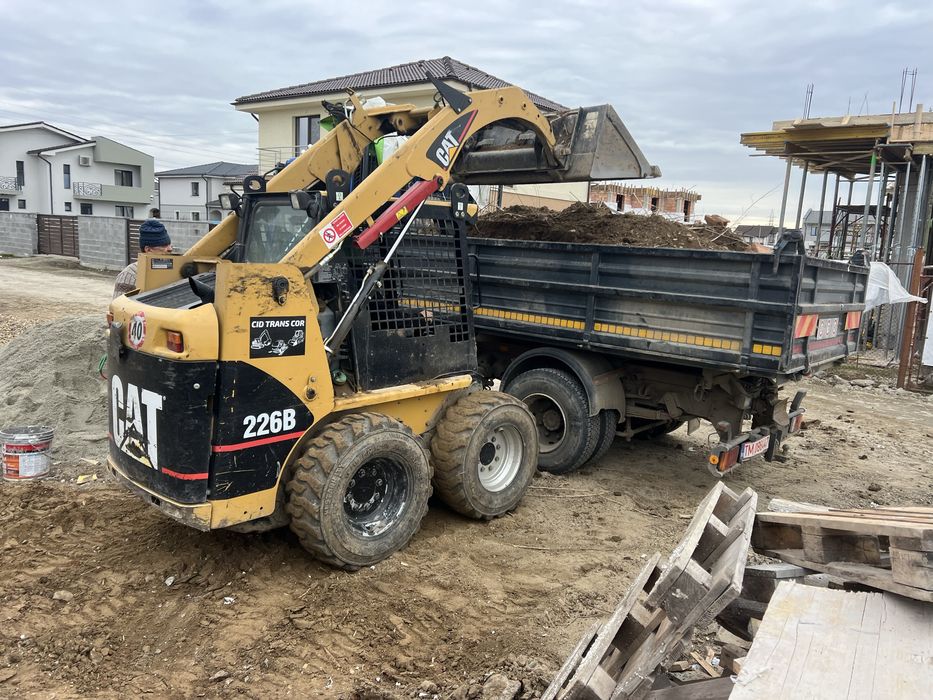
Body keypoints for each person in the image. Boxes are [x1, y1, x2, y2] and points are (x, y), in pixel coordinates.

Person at [113, 218, 173, 298]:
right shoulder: (130, 274)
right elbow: (119, 307)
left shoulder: (171, 270)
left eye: (169, 244)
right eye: (164, 245)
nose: (170, 249)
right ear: (148, 249)